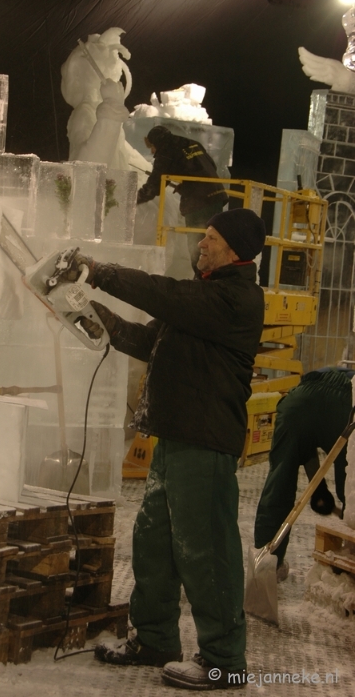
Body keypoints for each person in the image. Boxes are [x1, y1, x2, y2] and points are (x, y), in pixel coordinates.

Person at [65, 208, 266, 690]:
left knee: (206, 551)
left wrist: (99, 273)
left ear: (235, 251)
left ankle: (223, 660)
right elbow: (144, 339)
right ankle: (154, 637)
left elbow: (163, 294)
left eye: (211, 239)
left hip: (204, 444)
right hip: (174, 439)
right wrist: (94, 316)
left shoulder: (234, 299)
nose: (201, 245)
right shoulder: (201, 299)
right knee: (153, 542)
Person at [254, 367, 354, 581]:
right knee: (351, 485)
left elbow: (306, 439)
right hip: (345, 404)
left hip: (297, 401)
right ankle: (351, 557)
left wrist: (317, 489)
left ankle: (267, 566)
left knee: (279, 484)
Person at [137, 125, 229, 274]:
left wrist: (137, 198)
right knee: (212, 240)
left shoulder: (166, 151)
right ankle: (212, 276)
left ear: (156, 143)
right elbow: (209, 166)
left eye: (152, 147)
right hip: (216, 196)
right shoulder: (191, 143)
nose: (152, 151)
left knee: (198, 244)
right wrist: (186, 184)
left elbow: (155, 183)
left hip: (199, 203)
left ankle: (202, 280)